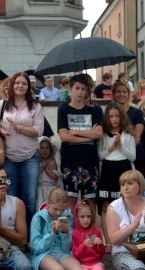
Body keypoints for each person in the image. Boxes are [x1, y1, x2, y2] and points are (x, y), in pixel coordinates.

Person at [0, 72, 45, 228]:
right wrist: (0, 131)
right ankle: (15, 236)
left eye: (24, 83)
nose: (20, 86)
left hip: (30, 158)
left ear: (28, 87)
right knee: (11, 198)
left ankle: (30, 238)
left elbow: (39, 131)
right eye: (17, 83)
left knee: (30, 200)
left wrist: (19, 128)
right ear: (11, 85)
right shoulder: (3, 105)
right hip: (8, 158)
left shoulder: (35, 106)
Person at [57, 74, 103, 214]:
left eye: (83, 89)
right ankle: (71, 234)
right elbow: (64, 136)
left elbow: (99, 134)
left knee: (90, 201)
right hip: (70, 161)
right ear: (71, 88)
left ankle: (90, 234)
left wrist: (76, 132)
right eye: (77, 88)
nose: (80, 92)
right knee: (70, 201)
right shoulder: (63, 108)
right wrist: (88, 136)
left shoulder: (95, 109)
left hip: (90, 161)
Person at [106, 170, 145, 270]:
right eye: (123, 184)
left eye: (130, 183)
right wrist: (133, 225)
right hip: (123, 252)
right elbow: (114, 240)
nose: (125, 187)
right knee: (138, 268)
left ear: (140, 185)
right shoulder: (114, 207)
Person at [97, 105, 135, 221]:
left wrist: (121, 146)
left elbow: (132, 157)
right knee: (106, 205)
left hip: (124, 168)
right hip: (107, 170)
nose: (114, 119)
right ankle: (108, 238)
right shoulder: (103, 135)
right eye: (111, 116)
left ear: (122, 117)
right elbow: (100, 156)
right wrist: (112, 147)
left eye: (117, 116)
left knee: (125, 202)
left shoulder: (128, 134)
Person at [29, 188, 80, 270]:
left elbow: (67, 248)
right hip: (43, 254)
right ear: (48, 203)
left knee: (77, 268)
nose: (58, 213)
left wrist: (65, 233)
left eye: (62, 210)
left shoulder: (68, 217)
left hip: (62, 253)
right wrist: (53, 233)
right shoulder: (38, 218)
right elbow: (35, 248)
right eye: (55, 209)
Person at [70, 200, 104, 270]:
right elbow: (75, 255)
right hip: (82, 264)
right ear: (77, 218)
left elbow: (101, 253)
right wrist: (83, 245)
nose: (86, 220)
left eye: (88, 216)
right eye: (82, 217)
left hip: (96, 263)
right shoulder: (75, 233)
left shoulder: (97, 232)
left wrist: (100, 244)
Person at [37, 137, 61, 211]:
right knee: (40, 208)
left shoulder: (52, 162)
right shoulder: (35, 163)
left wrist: (47, 170)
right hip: (40, 190)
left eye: (47, 148)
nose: (45, 150)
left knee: (51, 208)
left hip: (51, 189)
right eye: (42, 148)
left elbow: (55, 178)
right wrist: (41, 168)